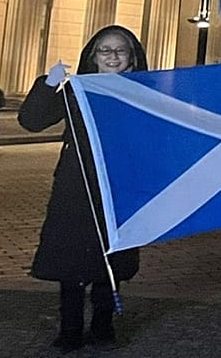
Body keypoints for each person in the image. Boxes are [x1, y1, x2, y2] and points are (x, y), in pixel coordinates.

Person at [18, 25, 148, 351]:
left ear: (132, 58)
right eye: (105, 50)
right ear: (93, 57)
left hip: (120, 188)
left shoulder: (144, 93)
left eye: (120, 50)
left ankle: (103, 326)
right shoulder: (76, 90)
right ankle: (70, 330)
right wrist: (49, 84)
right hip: (76, 188)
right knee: (70, 262)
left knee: (111, 262)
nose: (113, 56)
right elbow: (32, 121)